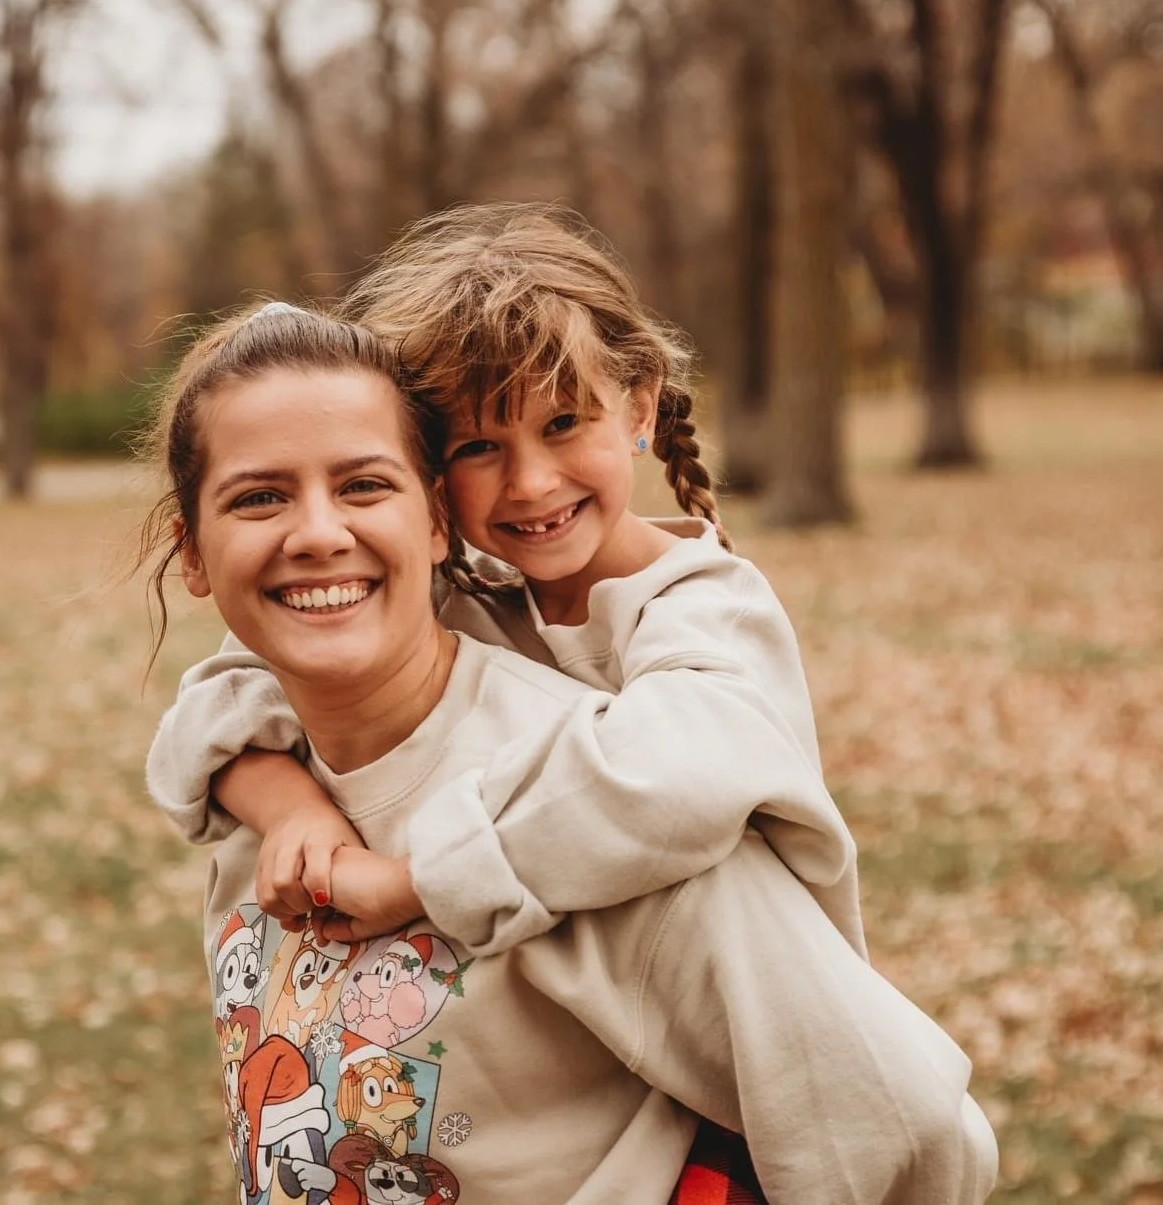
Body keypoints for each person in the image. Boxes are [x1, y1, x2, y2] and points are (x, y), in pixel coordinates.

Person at [140, 301, 996, 1203]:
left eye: (363, 485)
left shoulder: (606, 811)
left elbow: (903, 1126)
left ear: (435, 521)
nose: (318, 534)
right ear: (192, 550)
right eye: (259, 497)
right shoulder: (260, 780)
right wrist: (283, 802)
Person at [148, 204, 864, 967]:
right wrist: (294, 810)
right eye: (479, 446)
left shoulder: (709, 610)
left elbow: (672, 781)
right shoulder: (454, 594)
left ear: (640, 406)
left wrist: (420, 880)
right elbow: (213, 711)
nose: (530, 482)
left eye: (563, 424)